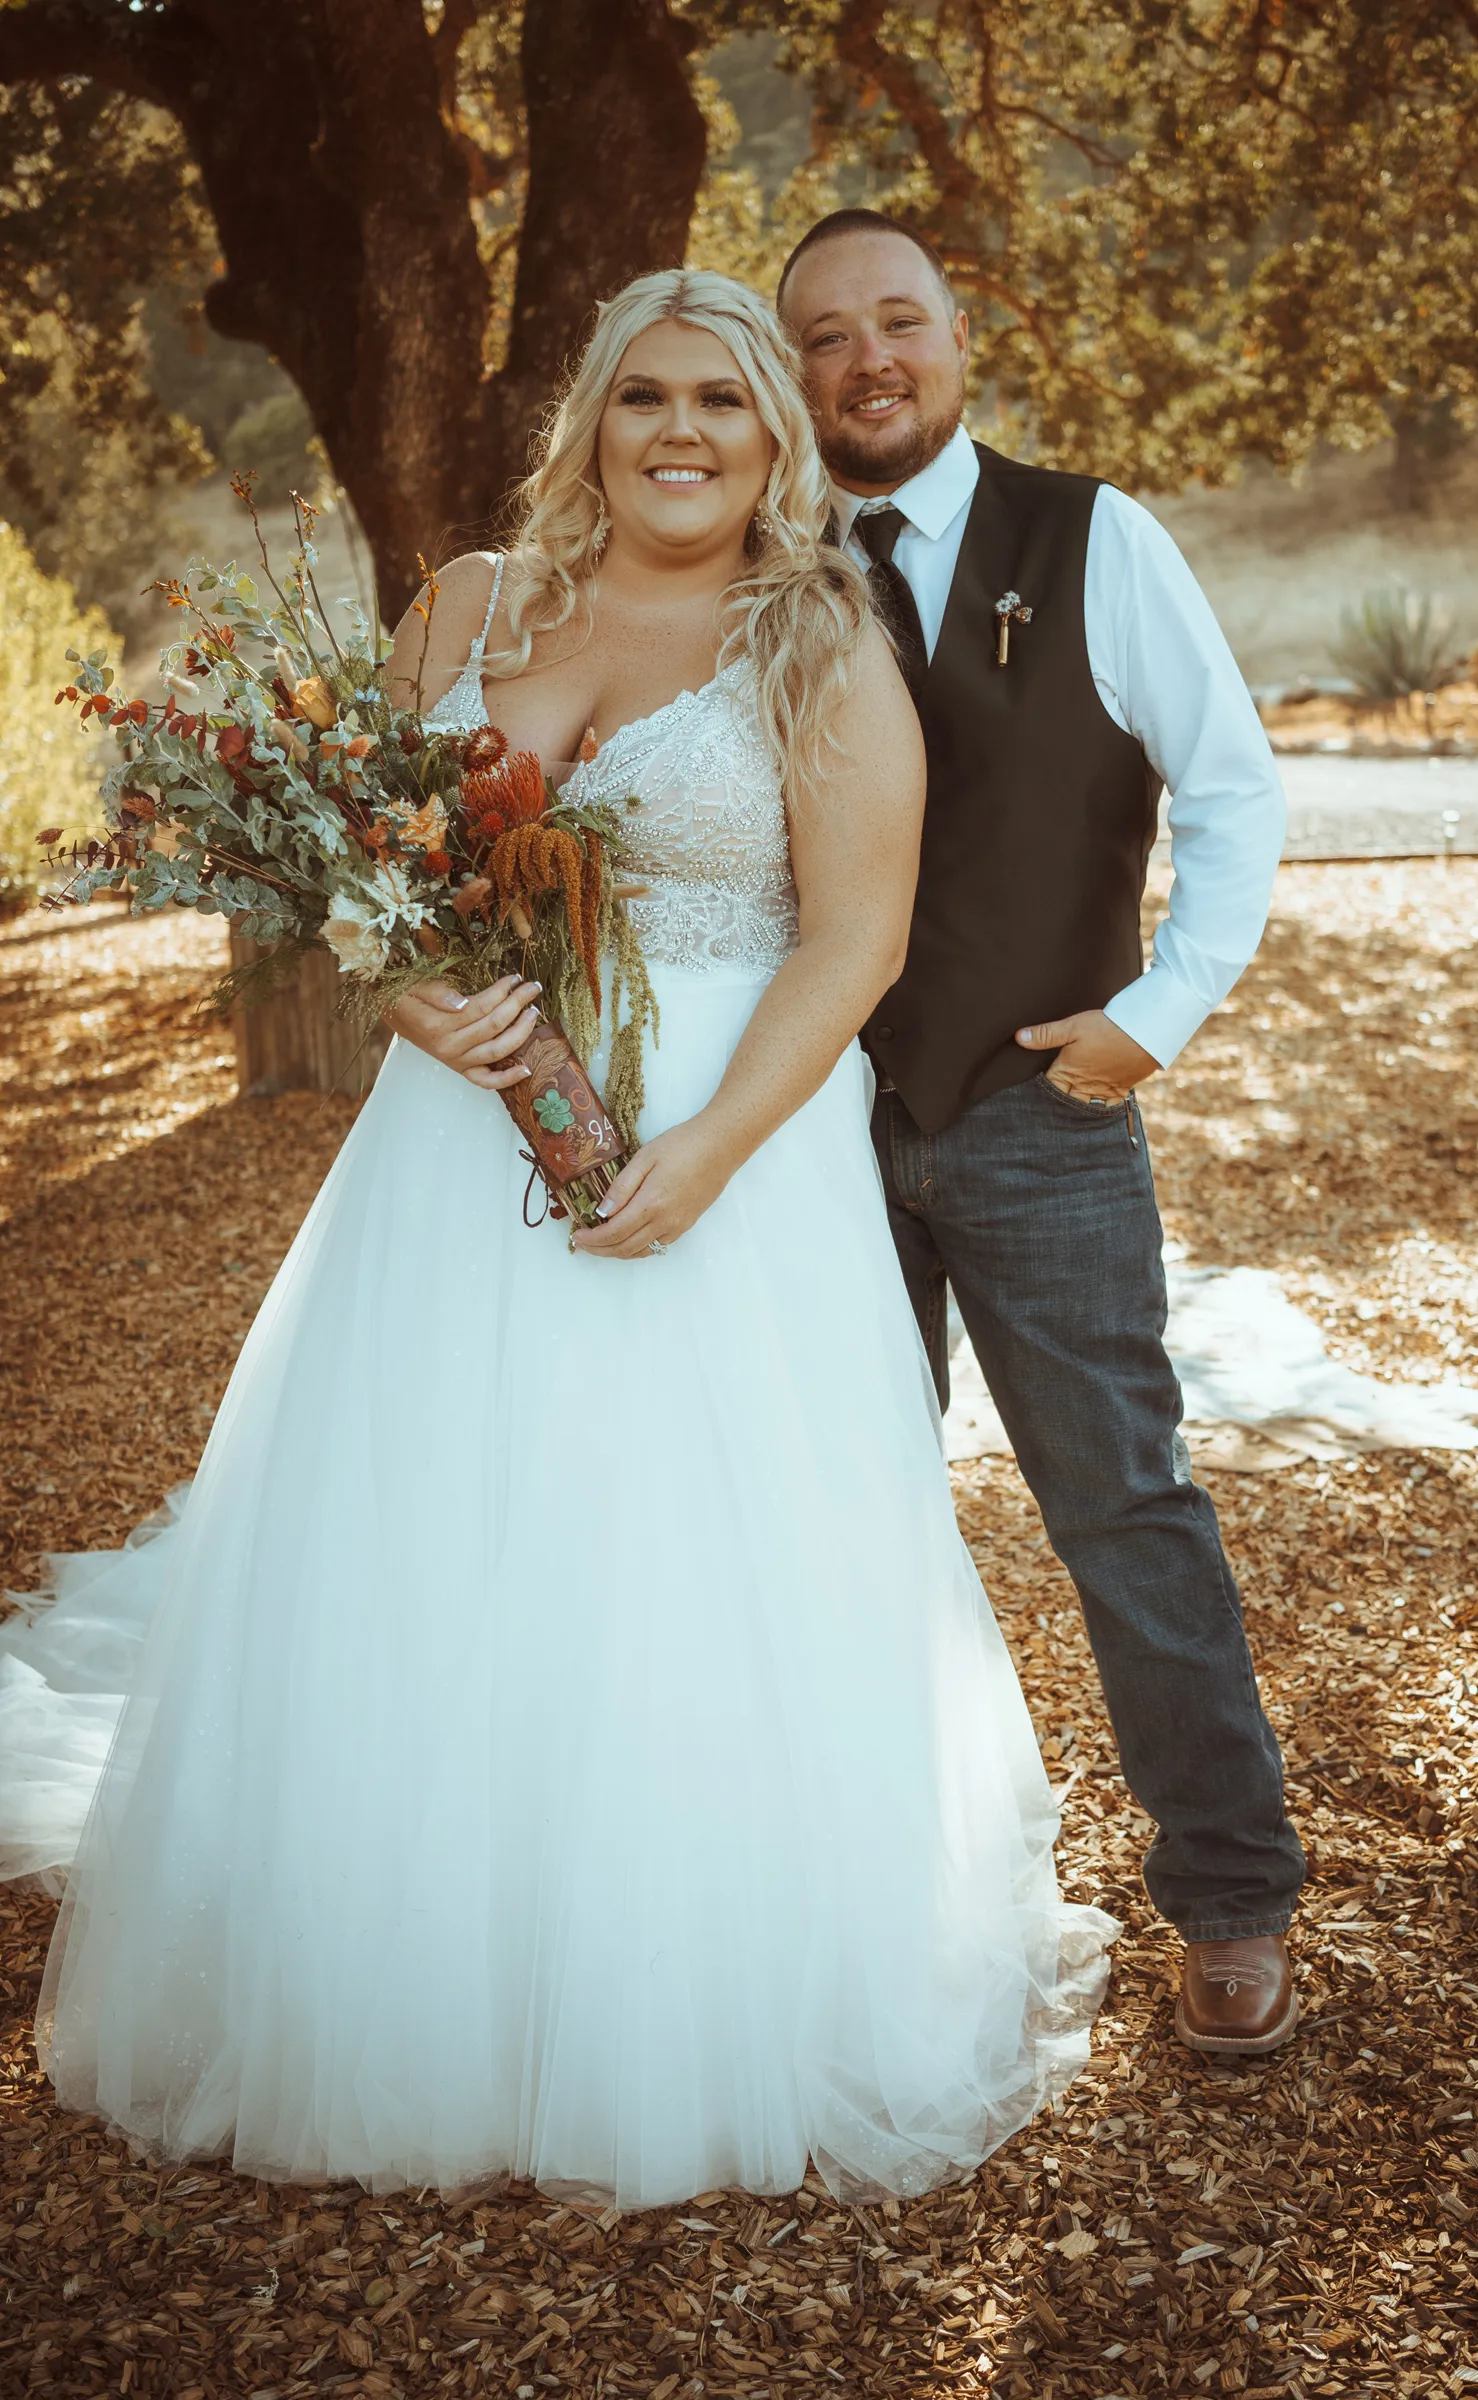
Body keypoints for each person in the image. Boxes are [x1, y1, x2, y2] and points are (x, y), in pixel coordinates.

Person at [0, 270, 1115, 2207]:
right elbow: (369, 865)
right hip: (450, 1154)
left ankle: (660, 1989)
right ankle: (413, 1962)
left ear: (774, 439)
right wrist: (407, 994)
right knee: (425, 1525)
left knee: (682, 1557)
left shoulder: (815, 639)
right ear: (589, 418)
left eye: (720, 404)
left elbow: (849, 943)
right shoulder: (469, 607)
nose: (679, 434)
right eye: (642, 399)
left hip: (718, 1152)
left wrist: (701, 1155)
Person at [778, 211, 1305, 2055]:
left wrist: (1152, 1023)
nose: (869, 362)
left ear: (959, 336)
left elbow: (1234, 794)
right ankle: (843, 1902)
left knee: (1123, 1510)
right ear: (795, 369)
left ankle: (1232, 1897)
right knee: (823, 1513)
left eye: (898, 322)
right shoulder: (764, 571)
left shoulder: (1098, 537)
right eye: (827, 335)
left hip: (1040, 1118)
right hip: (804, 1135)